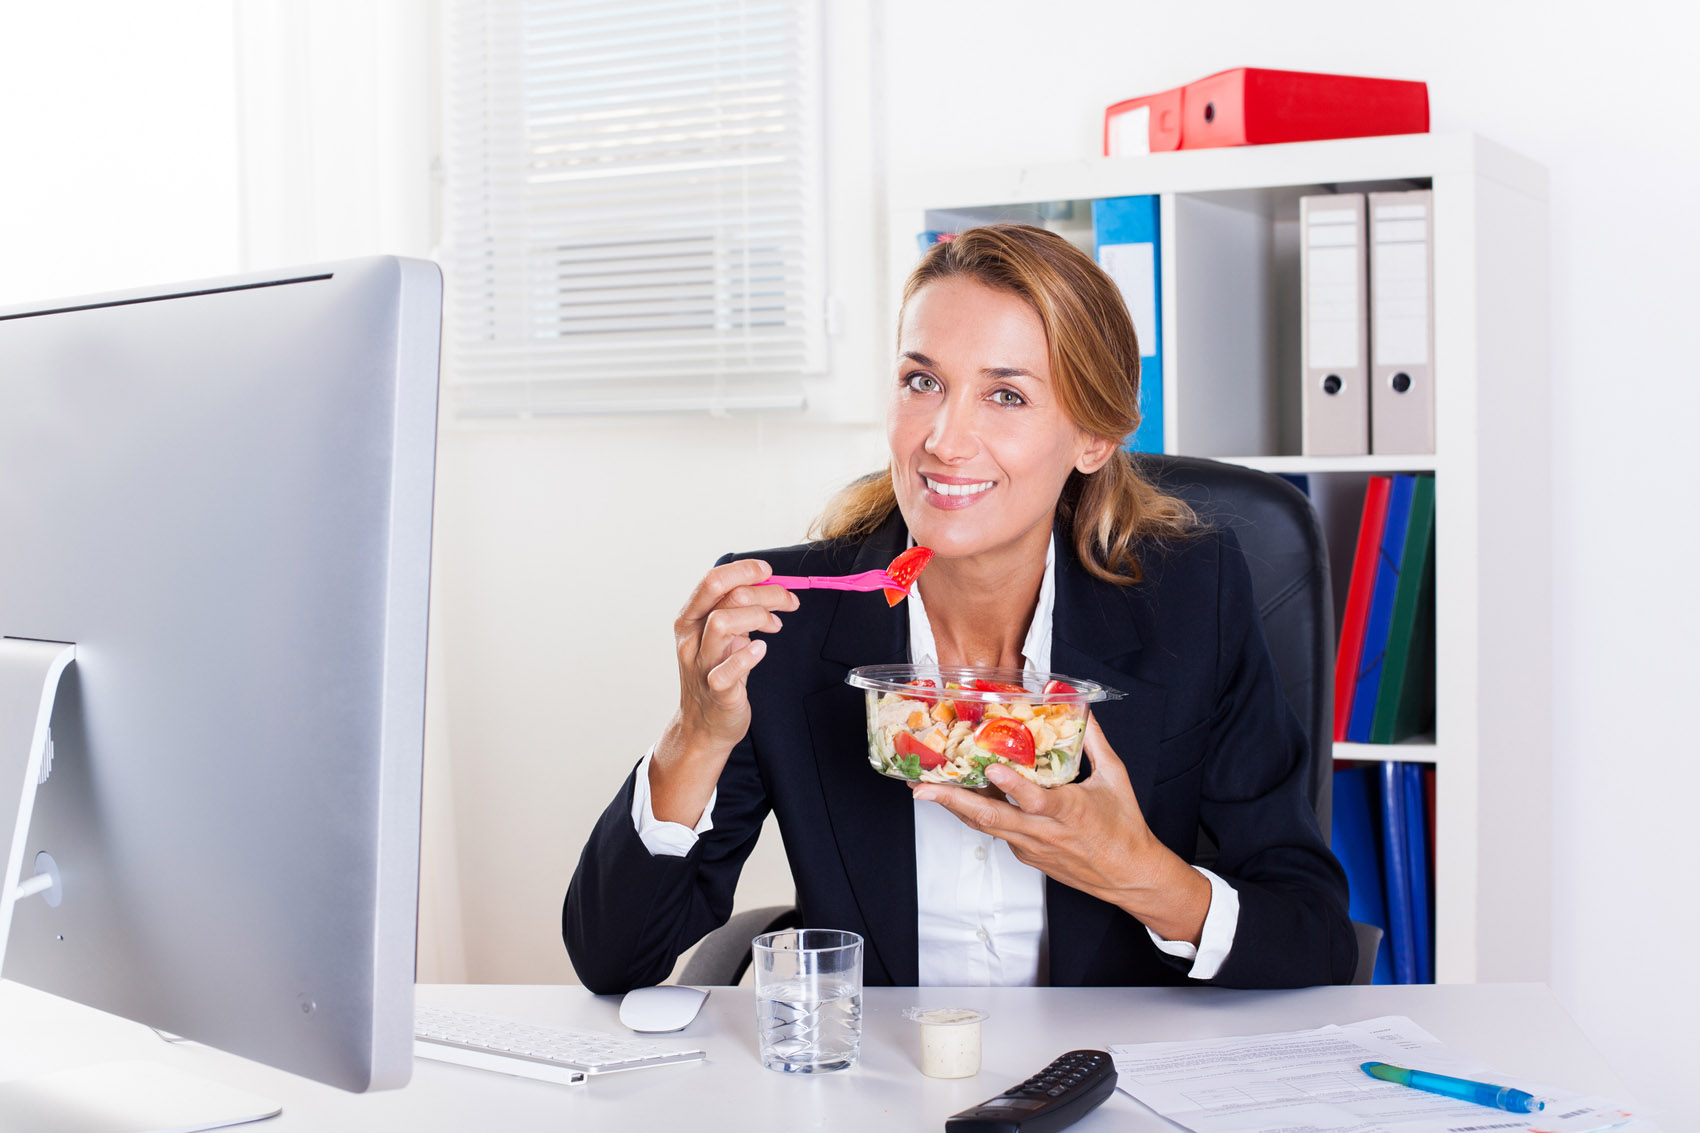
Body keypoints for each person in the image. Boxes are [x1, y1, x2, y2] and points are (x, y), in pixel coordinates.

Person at [564, 224, 1354, 993]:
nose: (944, 439)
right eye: (922, 381)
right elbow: (614, 958)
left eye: (1006, 394)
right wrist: (694, 735)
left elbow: (1312, 932)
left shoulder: (1191, 601)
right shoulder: (788, 619)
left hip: (1107, 1072)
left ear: (1094, 439)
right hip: (878, 1075)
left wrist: (1141, 874)